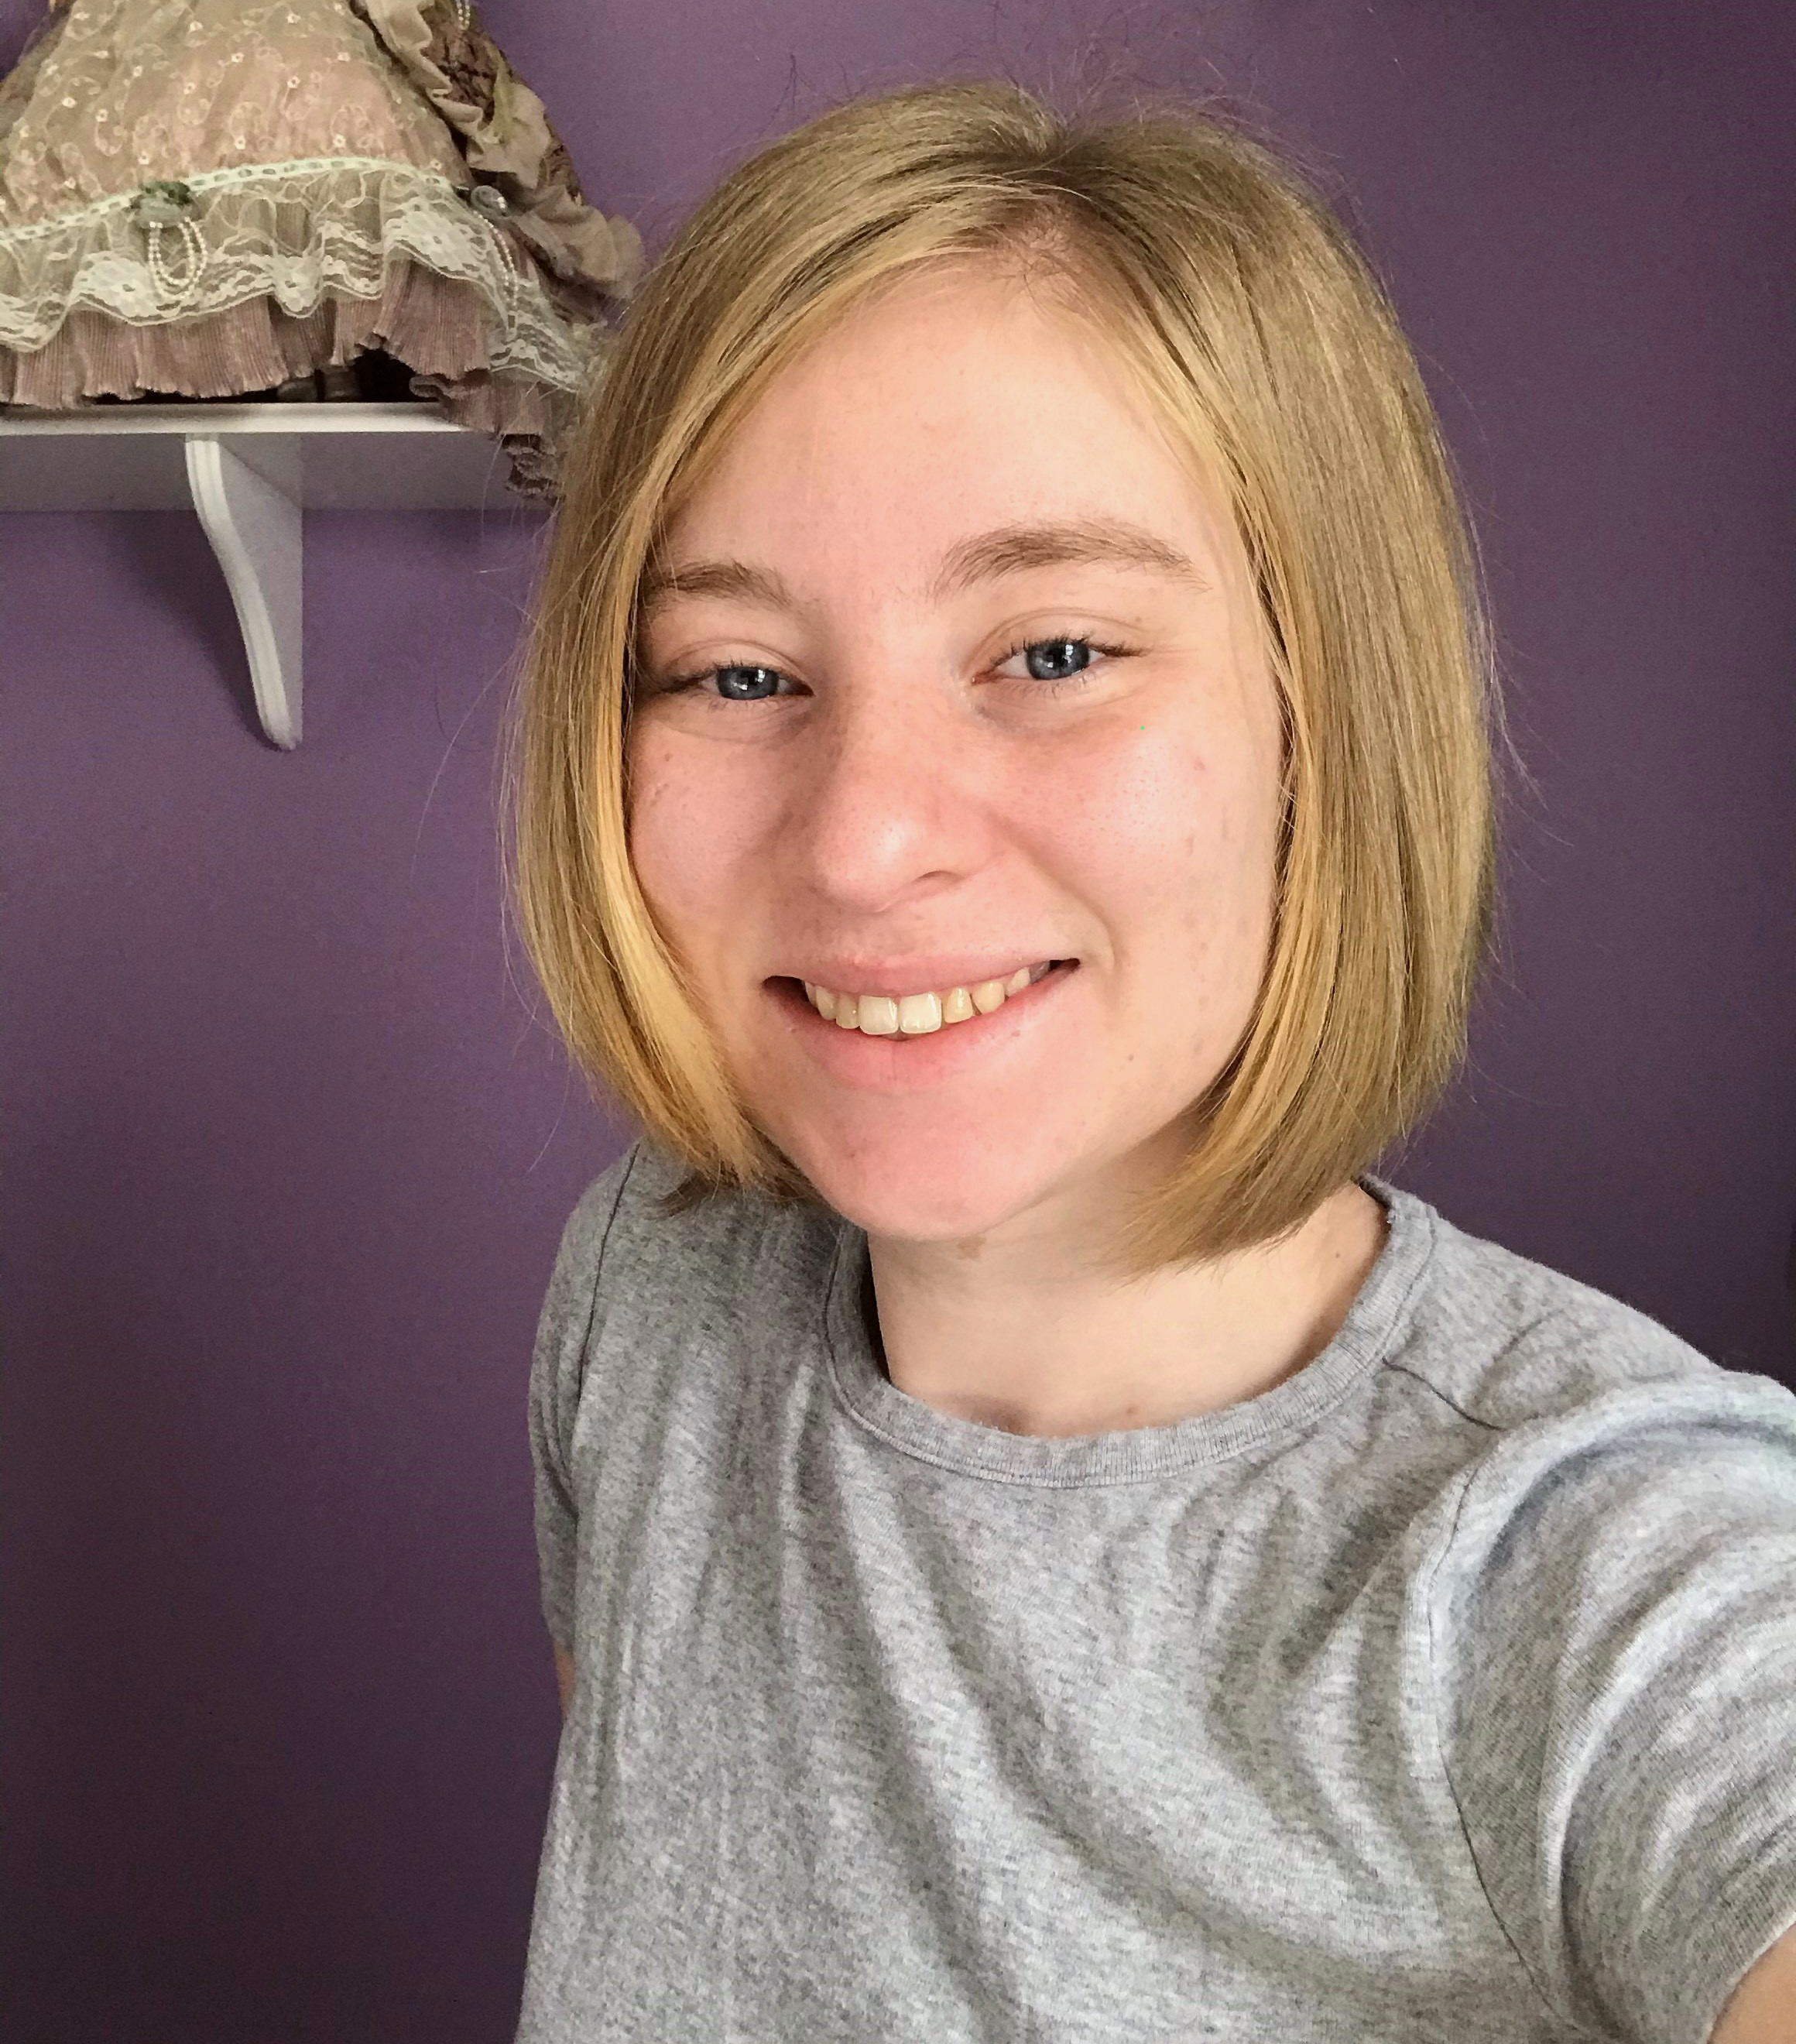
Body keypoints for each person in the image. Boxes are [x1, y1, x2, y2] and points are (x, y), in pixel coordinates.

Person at [502, 78, 1796, 2044]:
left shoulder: (1605, 1559)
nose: (863, 838)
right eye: (741, 675)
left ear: (1317, 717)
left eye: (1052, 653)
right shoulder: (653, 1293)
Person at [0, 0, 640, 492]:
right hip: (236, 50)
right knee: (322, 151)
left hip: (186, 51)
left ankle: (310, 355)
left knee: (322, 168)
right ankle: (297, 357)